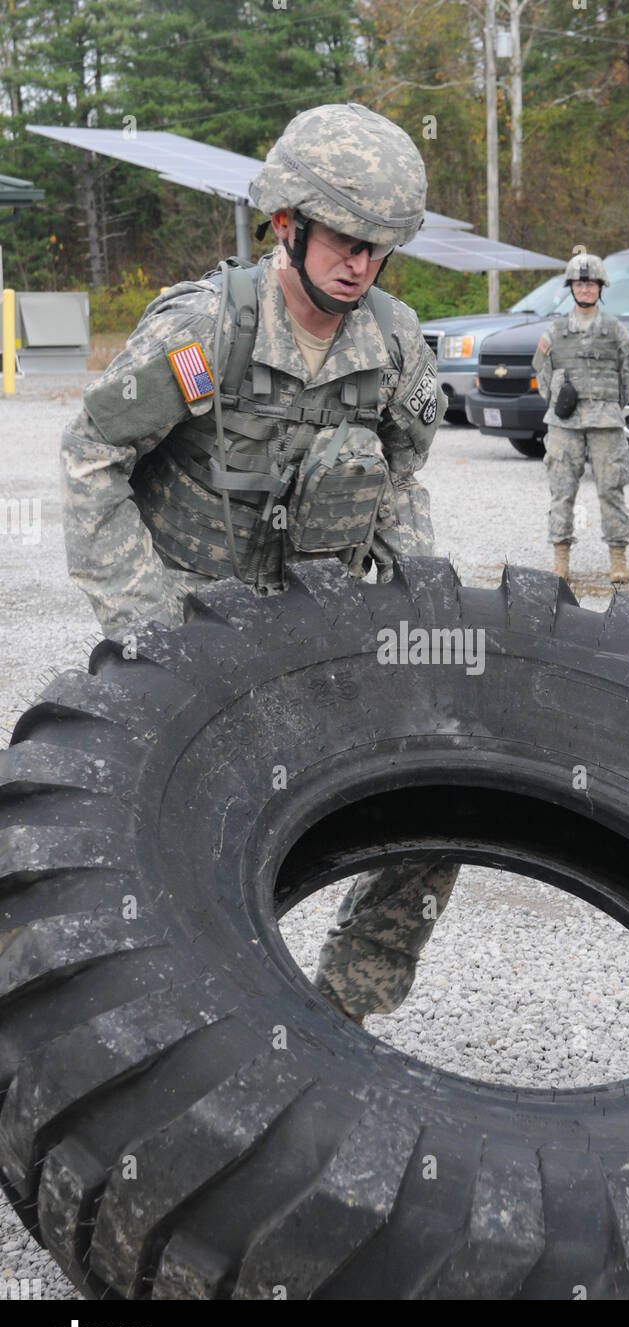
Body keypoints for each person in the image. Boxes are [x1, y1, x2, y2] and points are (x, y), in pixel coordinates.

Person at [60, 102, 460, 1027]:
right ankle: (168, 1024)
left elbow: (400, 484)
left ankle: (340, 1013)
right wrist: (149, 636)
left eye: (378, 247)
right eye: (344, 240)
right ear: (288, 223)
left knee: (440, 798)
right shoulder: (207, 333)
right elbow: (91, 461)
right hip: (189, 638)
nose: (360, 263)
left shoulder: (394, 343)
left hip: (316, 638)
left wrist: (423, 618)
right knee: (143, 843)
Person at [532, 244, 629, 585]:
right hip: (565, 424)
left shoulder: (614, 330)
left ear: (600, 288)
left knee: (612, 489)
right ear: (571, 289)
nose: (585, 289)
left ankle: (617, 557)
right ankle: (561, 556)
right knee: (562, 490)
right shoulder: (556, 332)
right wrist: (556, 404)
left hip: (606, 422)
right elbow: (542, 373)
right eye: (579, 284)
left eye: (591, 284)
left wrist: (612, 405)